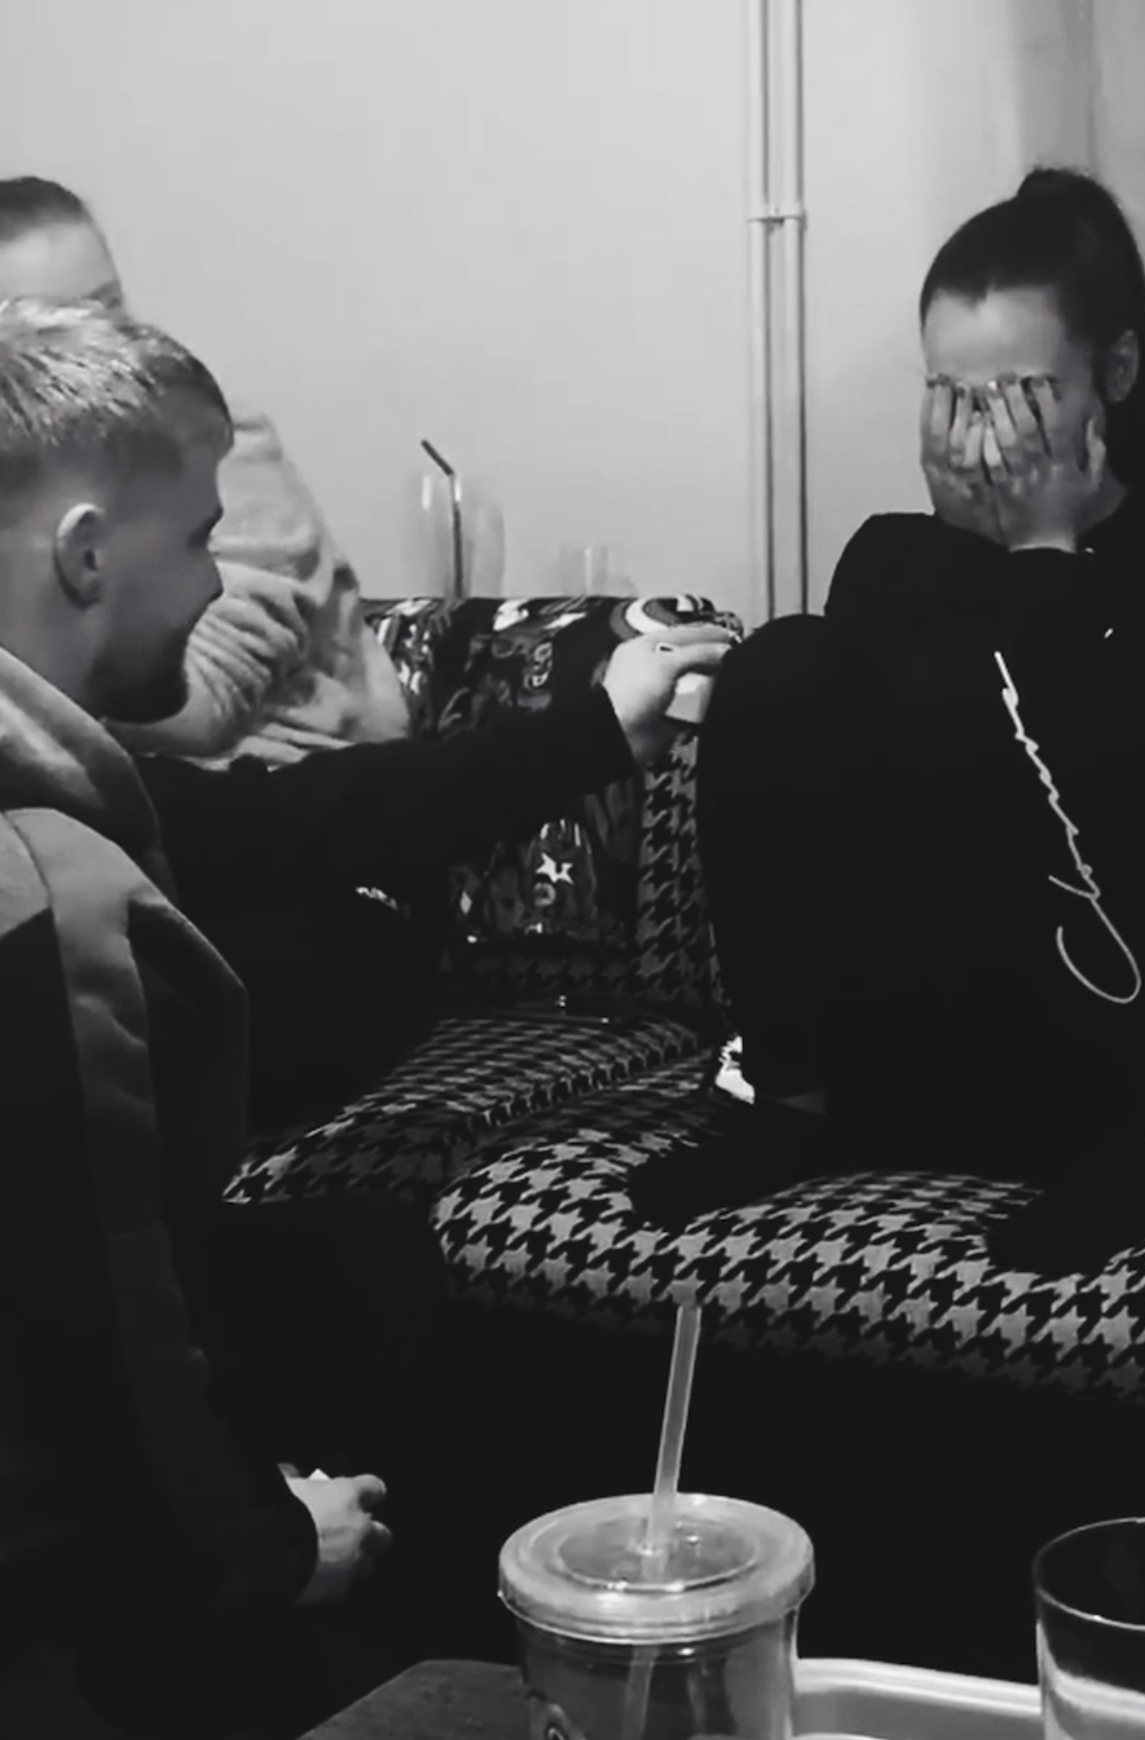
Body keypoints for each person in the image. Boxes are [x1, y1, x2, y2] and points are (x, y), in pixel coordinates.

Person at [0, 296, 728, 1739]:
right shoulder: (51, 899)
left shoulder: (66, 798)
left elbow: (290, 818)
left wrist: (592, 730)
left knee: (360, 1253)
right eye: (200, 537)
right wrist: (275, 1546)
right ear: (85, 554)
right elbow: (106, 1340)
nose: (218, 582)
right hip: (58, 1592)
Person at [630, 167, 1145, 1277]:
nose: (987, 435)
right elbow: (867, 817)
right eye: (954, 396)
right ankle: (798, 1105)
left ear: (1115, 373)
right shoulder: (901, 561)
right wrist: (973, 548)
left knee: (959, 691)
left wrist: (1047, 557)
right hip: (926, 1049)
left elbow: (1093, 815)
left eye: (1022, 395)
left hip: (1120, 1052)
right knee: (788, 663)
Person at [0, 174, 412, 765]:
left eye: (107, 309)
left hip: (290, 780)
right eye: (53, 331)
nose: (104, 348)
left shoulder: (210, 449)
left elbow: (203, 706)